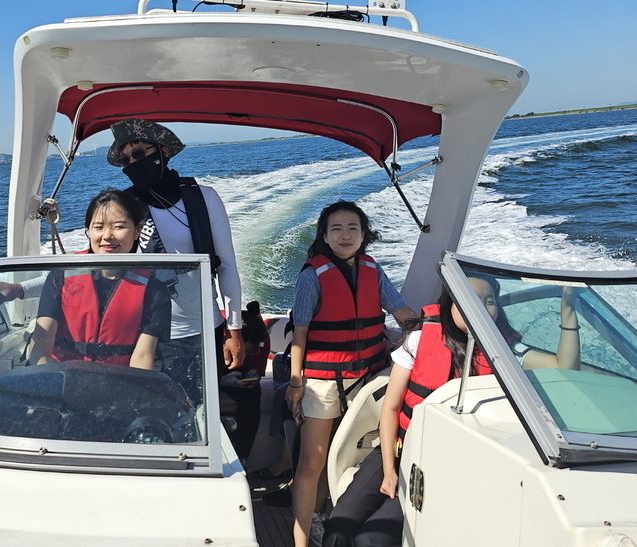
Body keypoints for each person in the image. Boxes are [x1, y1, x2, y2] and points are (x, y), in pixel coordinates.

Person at [323, 276, 580, 547]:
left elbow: (565, 366)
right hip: (398, 450)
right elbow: (391, 407)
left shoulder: (506, 350)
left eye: (489, 301)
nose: (478, 308)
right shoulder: (420, 338)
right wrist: (389, 469)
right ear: (449, 303)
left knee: (372, 538)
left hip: (445, 468)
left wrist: (568, 309)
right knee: (339, 523)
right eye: (468, 299)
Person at [287, 200, 418, 547]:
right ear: (325, 237)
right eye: (337, 229)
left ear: (363, 235)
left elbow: (399, 308)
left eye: (353, 229)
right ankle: (300, 539)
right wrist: (296, 383)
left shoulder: (373, 269)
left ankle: (324, 519)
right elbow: (300, 333)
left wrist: (423, 329)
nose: (346, 235)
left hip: (368, 377)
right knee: (311, 463)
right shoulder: (311, 276)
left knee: (351, 454)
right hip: (323, 382)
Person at [106, 118, 245, 403]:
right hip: (149, 335)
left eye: (140, 154)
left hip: (205, 331)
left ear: (163, 152)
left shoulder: (204, 198)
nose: (133, 163)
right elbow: (102, 264)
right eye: (127, 159)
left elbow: (227, 265)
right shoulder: (126, 208)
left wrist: (234, 330)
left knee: (204, 412)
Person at [28, 189, 171, 370]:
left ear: (137, 231)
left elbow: (143, 356)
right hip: (62, 379)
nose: (107, 236)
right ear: (88, 231)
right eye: (98, 227)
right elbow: (41, 345)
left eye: (119, 226)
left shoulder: (155, 287)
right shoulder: (61, 275)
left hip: (119, 382)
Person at [219, 300, 271, 461]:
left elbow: (257, 368)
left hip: (238, 379)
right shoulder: (214, 337)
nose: (246, 356)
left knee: (254, 393)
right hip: (215, 379)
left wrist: (253, 374)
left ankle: (243, 458)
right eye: (243, 352)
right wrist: (222, 380)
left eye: (251, 353)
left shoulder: (261, 340)